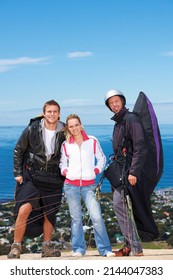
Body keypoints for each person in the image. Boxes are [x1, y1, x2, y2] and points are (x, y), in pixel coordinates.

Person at [7, 99, 65, 259]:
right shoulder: (32, 129)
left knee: (50, 213)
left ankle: (46, 248)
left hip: (53, 178)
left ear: (59, 114)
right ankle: (16, 247)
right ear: (44, 113)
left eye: (55, 111)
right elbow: (19, 149)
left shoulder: (64, 132)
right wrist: (17, 173)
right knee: (24, 209)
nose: (52, 114)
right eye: (49, 111)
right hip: (32, 175)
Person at [104, 89, 158, 257]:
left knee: (119, 204)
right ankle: (130, 246)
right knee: (124, 207)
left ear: (122, 101)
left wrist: (133, 172)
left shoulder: (131, 119)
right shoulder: (119, 121)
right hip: (122, 170)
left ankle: (135, 247)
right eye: (111, 103)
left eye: (116, 101)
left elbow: (140, 147)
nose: (114, 104)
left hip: (130, 172)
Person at [59, 114, 114, 257]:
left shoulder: (92, 141)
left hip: (89, 186)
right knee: (76, 218)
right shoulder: (66, 145)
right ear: (68, 128)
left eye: (76, 125)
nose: (74, 128)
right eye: (71, 126)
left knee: (96, 217)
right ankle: (78, 249)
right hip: (71, 186)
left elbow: (102, 159)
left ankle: (105, 249)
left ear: (80, 124)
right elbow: (62, 164)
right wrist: (66, 172)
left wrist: (94, 171)